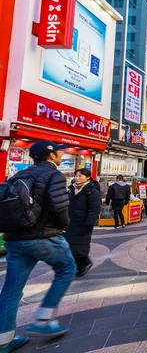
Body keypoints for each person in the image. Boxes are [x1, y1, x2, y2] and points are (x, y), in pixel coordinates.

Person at [0, 141, 77, 351]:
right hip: (44, 236)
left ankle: (3, 341)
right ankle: (43, 321)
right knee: (67, 269)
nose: (61, 155)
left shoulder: (18, 175)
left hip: (15, 239)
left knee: (11, 289)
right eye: (58, 152)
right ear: (51, 156)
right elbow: (60, 206)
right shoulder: (54, 175)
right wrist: (62, 226)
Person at [65, 168, 101, 278]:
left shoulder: (92, 191)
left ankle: (85, 263)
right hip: (70, 222)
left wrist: (90, 223)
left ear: (88, 177)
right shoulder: (70, 189)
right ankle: (76, 265)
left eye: (80, 176)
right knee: (69, 245)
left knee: (79, 246)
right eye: (76, 176)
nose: (77, 178)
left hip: (83, 223)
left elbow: (94, 208)